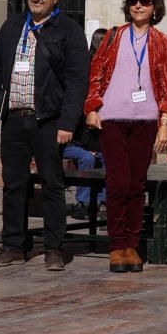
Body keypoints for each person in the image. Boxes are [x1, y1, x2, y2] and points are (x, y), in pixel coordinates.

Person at [0, 0, 89, 271]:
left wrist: (68, 123)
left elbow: (78, 81)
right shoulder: (13, 25)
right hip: (15, 118)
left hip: (49, 122)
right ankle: (14, 244)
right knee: (13, 185)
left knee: (53, 185)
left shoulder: (68, 31)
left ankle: (54, 248)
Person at [85, 0, 167, 273]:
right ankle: (116, 245)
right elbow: (95, 74)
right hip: (112, 119)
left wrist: (165, 123)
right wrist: (91, 108)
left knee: (137, 186)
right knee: (117, 183)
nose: (139, 5)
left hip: (145, 121)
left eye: (145, 1)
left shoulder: (162, 42)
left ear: (155, 8)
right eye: (134, 1)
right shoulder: (113, 37)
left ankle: (131, 245)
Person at [63, 27, 109, 220]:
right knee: (88, 158)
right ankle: (84, 202)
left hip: (91, 139)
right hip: (73, 140)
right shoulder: (86, 71)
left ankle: (101, 201)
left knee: (105, 156)